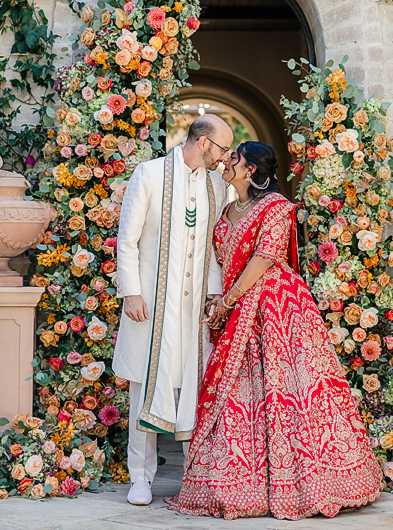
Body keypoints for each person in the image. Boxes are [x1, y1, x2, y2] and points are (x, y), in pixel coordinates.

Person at [167, 141, 383, 520]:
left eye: (233, 158)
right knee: (240, 393)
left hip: (276, 306)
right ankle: (238, 485)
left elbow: (267, 256)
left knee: (289, 391)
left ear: (251, 169)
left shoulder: (276, 208)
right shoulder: (227, 210)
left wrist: (230, 299)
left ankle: (310, 484)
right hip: (237, 309)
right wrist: (217, 302)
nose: (225, 162)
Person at [114, 114, 233, 506]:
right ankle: (140, 477)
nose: (224, 157)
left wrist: (215, 297)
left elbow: (217, 250)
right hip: (150, 306)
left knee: (194, 388)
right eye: (222, 148)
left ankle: (193, 476)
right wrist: (131, 292)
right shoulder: (148, 174)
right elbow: (126, 239)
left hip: (194, 308)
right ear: (203, 143)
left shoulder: (219, 187)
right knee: (145, 387)